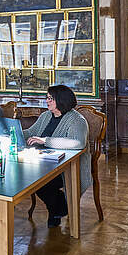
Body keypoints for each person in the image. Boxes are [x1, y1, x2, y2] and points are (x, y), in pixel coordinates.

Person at [23, 84, 90, 228]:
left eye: (50, 98)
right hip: (43, 162)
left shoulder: (77, 120)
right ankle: (59, 207)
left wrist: (45, 140)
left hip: (67, 167)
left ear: (61, 100)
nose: (47, 101)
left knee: (40, 182)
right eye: (46, 98)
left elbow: (77, 143)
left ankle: (57, 208)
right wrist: (13, 132)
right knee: (28, 178)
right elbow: (30, 132)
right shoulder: (46, 115)